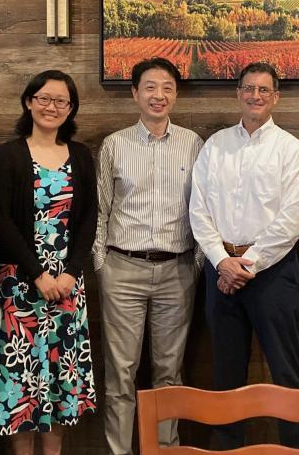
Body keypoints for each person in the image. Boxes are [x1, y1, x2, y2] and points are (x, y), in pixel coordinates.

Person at [93, 57, 203, 454]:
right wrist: (103, 266)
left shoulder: (193, 143)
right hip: (122, 269)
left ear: (176, 94)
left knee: (169, 373)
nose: (159, 95)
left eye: (168, 87)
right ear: (135, 93)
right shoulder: (115, 144)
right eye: (151, 87)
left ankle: (165, 449)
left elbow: (202, 209)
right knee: (120, 374)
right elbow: (101, 211)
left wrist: (195, 264)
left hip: (177, 269)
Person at [0, 70, 97, 455]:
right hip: (20, 285)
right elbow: (2, 220)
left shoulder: (80, 155)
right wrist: (39, 274)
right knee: (22, 384)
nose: (52, 107)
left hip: (67, 285)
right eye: (44, 98)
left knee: (60, 384)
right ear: (29, 102)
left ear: (71, 108)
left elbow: (88, 220)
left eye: (61, 101)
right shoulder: (9, 154)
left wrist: (68, 273)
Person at [189, 62, 299, 449]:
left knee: (287, 371)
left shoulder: (290, 150)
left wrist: (245, 265)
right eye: (249, 88)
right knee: (225, 372)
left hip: (274, 273)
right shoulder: (215, 145)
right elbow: (198, 209)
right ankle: (227, 448)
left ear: (276, 98)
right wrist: (222, 261)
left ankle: (293, 447)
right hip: (220, 272)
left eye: (264, 90)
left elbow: (292, 219)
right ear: (237, 93)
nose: (255, 96)